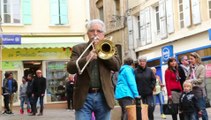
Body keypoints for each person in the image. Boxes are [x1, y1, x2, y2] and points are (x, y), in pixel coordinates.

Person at [66, 19, 121, 120]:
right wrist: (86, 59)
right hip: (84, 96)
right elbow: (70, 68)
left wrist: (102, 53)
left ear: (103, 34)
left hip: (103, 96)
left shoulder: (109, 48)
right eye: (92, 31)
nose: (95, 34)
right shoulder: (78, 48)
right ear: (87, 33)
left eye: (99, 31)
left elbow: (117, 66)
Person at [187, 52, 208, 120]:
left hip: (199, 91)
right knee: (194, 111)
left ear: (196, 59)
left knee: (202, 110)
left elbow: (201, 80)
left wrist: (191, 81)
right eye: (189, 59)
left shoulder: (201, 67)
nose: (190, 60)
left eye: (191, 59)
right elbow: (187, 78)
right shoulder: (190, 68)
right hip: (191, 91)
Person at [135, 56, 156, 120]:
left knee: (150, 108)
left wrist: (151, 87)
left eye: (143, 61)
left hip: (148, 93)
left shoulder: (149, 70)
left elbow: (153, 80)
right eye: (140, 61)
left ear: (146, 62)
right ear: (138, 62)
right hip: (139, 95)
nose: (142, 62)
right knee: (141, 110)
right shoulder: (135, 71)